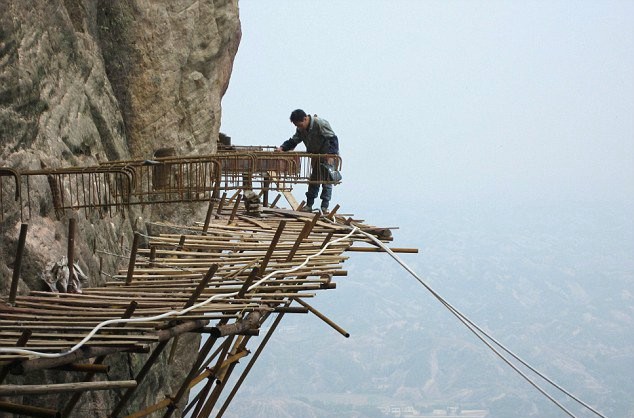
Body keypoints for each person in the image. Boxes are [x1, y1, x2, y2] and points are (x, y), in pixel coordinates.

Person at [277, 109, 339, 213]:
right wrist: (283, 147)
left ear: (305, 119)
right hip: (316, 156)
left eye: (300, 125)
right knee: (314, 180)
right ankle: (309, 205)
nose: (299, 127)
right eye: (297, 125)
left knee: (327, 181)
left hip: (327, 156)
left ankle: (324, 207)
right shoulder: (301, 129)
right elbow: (294, 140)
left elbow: (333, 139)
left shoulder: (320, 124)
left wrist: (331, 155)